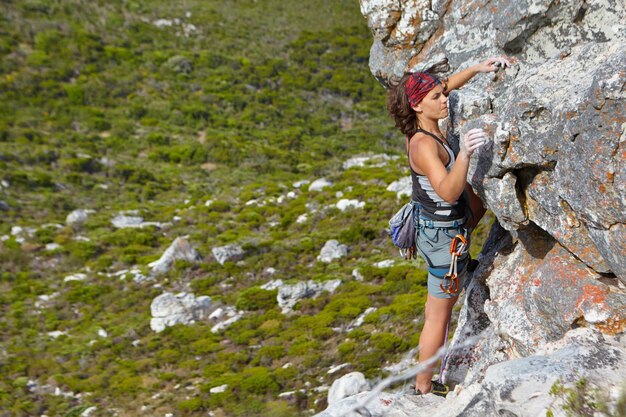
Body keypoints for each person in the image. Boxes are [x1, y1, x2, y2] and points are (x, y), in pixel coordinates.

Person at [386, 56, 511, 396]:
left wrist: (476, 69)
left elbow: (446, 87)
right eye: (437, 98)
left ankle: (465, 264)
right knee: (437, 315)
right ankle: (424, 387)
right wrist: (467, 155)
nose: (445, 100)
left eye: (444, 94)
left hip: (442, 227)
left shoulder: (426, 123)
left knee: (481, 198)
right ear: (416, 105)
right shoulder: (424, 145)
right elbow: (448, 190)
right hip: (443, 238)